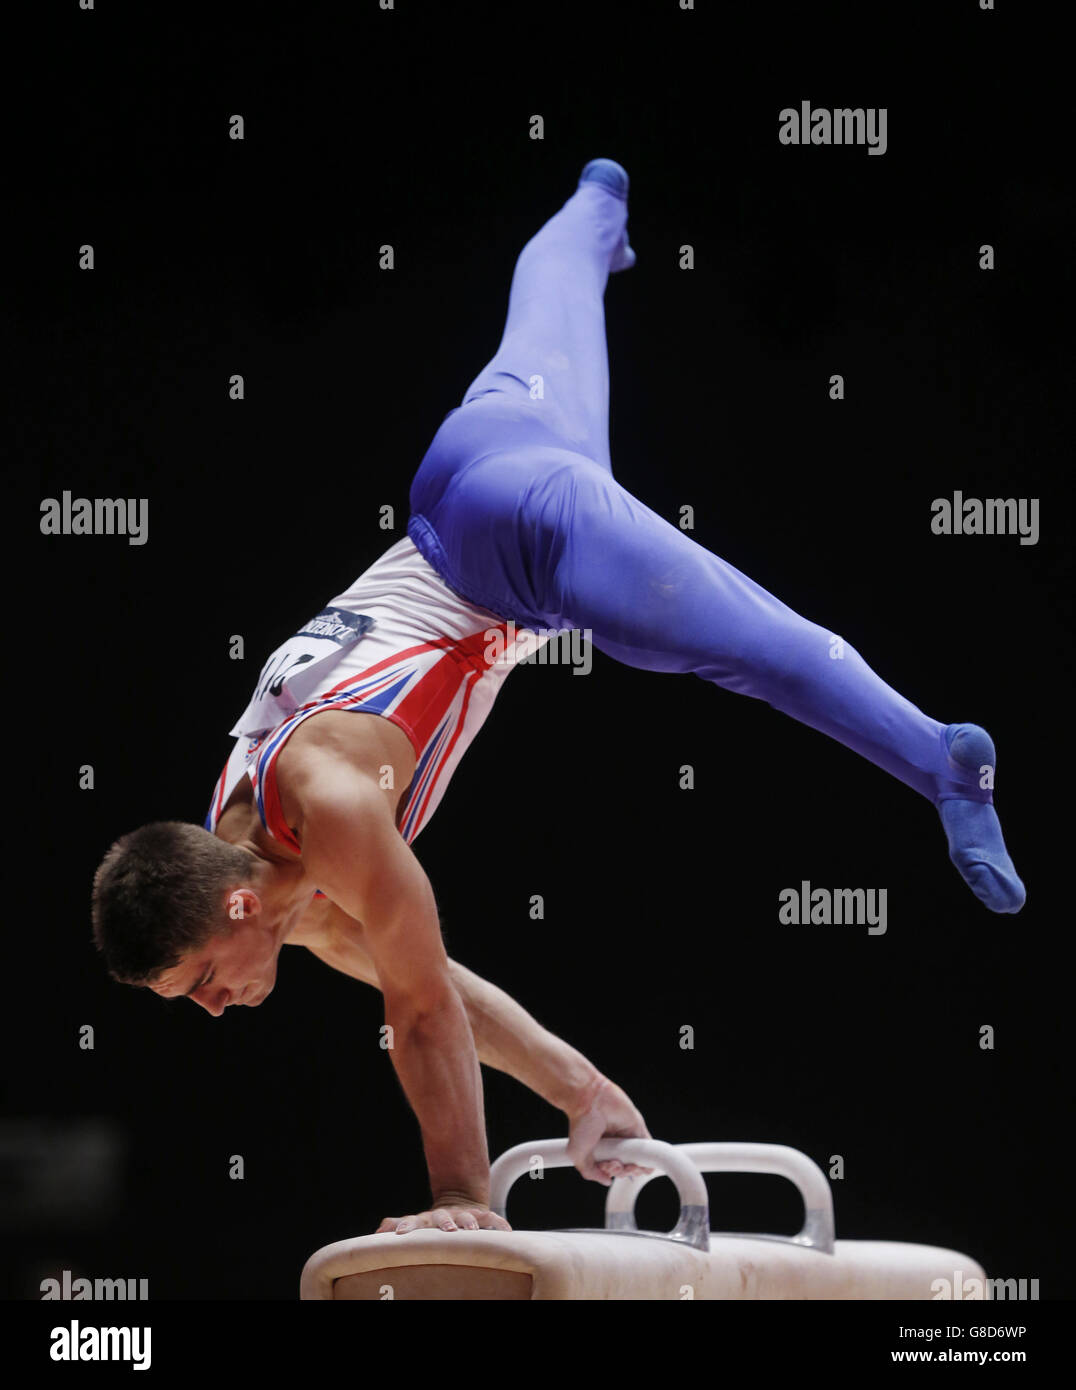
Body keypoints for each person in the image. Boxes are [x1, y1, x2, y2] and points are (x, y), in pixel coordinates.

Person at [92, 158, 1024, 1238]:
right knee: (549, 308)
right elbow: (433, 976)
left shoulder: (328, 807)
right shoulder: (276, 873)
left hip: (519, 543)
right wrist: (581, 1092)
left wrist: (458, 1197)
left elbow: (420, 1008)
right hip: (463, 481)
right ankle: (598, 206)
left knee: (745, 648)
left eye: (199, 979)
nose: (212, 1006)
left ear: (235, 907)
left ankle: (942, 763)